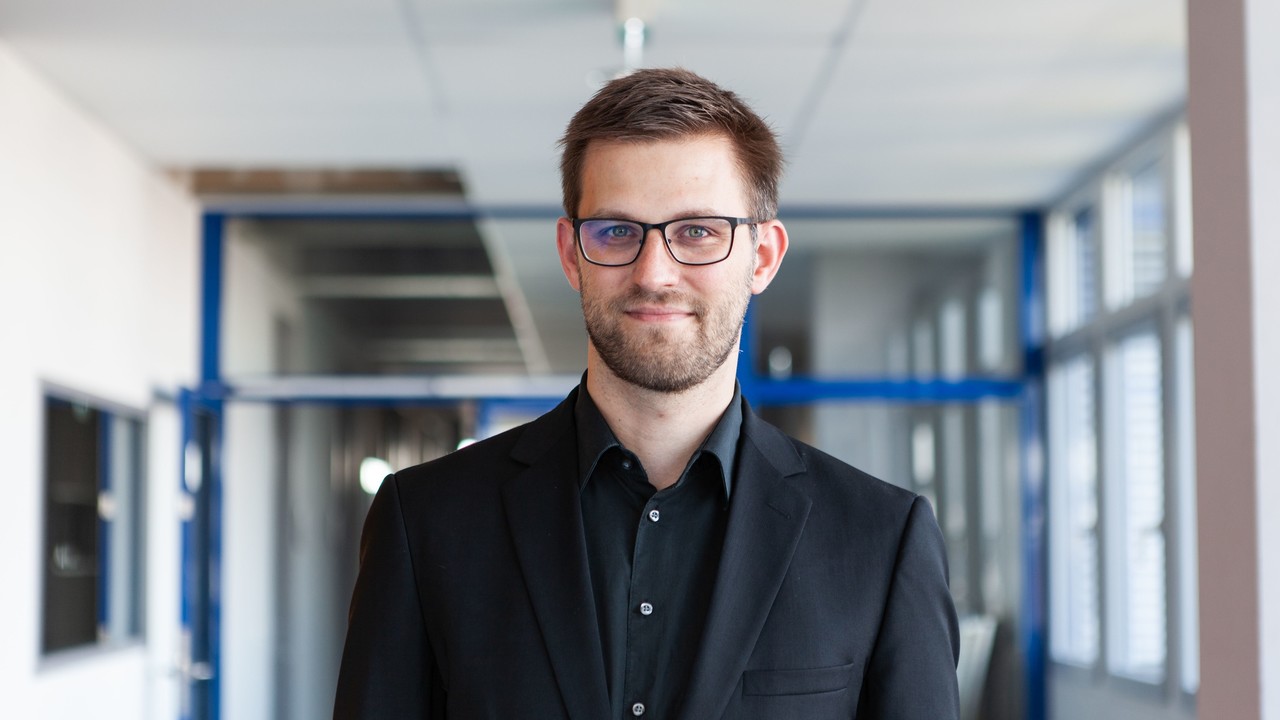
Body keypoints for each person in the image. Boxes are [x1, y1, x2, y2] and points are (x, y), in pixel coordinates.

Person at [333, 67, 959, 720]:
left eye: (697, 231)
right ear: (572, 253)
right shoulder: (426, 520)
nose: (654, 274)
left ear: (763, 257)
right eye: (616, 231)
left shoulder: (881, 539)